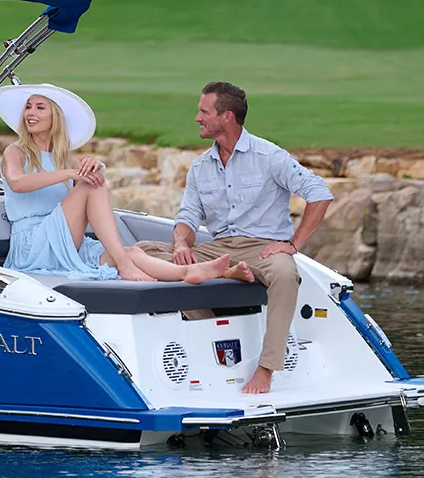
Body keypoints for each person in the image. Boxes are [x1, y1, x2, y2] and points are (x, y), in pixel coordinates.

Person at [140, 81, 333, 395]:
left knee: (285, 275)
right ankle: (215, 311)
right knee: (143, 252)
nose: (197, 118)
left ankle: (266, 369)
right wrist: (181, 244)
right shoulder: (200, 167)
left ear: (226, 117)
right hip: (220, 251)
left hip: (263, 248)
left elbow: (320, 194)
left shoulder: (270, 156)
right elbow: (188, 217)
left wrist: (293, 244)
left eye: (204, 112)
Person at [0, 83, 253, 284]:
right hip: (32, 245)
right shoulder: (16, 152)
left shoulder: (65, 158)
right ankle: (124, 264)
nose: (31, 113)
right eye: (28, 107)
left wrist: (95, 166)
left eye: (40, 107)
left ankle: (192, 272)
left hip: (67, 242)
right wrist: (71, 174)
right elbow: (17, 183)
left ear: (56, 117)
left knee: (134, 253)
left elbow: (93, 175)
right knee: (90, 186)